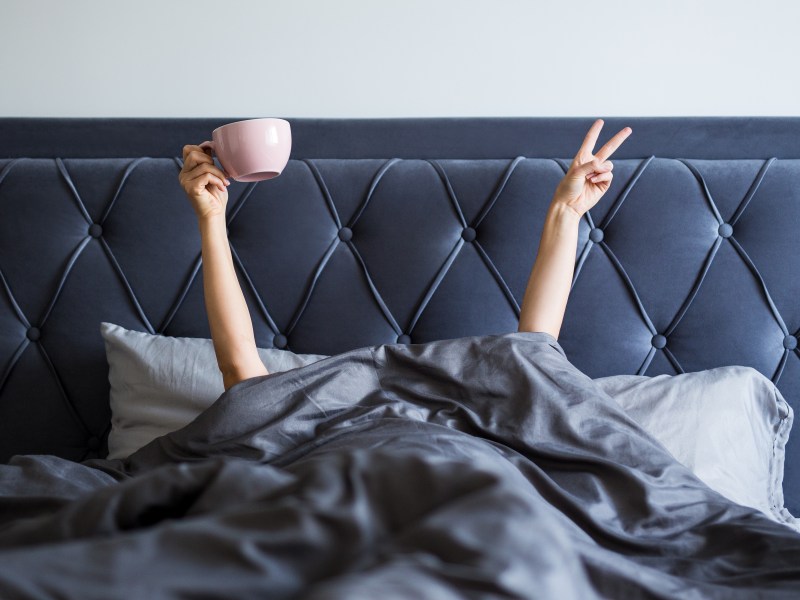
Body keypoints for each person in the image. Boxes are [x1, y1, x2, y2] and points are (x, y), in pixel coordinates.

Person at [178, 119, 632, 390]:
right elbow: (240, 369)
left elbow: (535, 354)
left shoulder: (482, 419)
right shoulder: (309, 415)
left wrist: (567, 212)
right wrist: (211, 217)